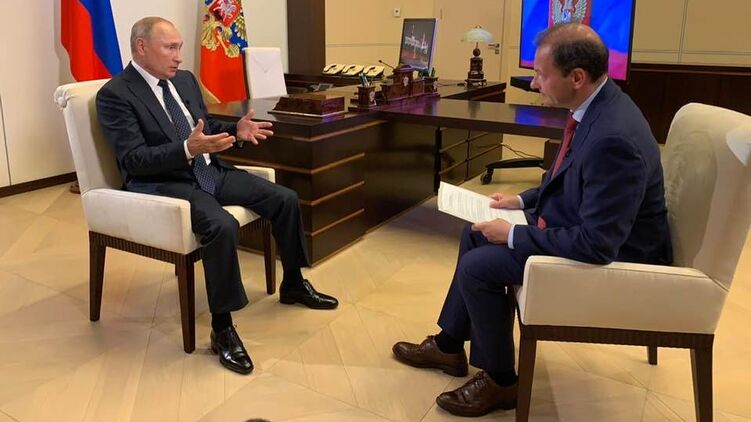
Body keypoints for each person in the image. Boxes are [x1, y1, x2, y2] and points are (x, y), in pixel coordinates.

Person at [392, 22, 672, 417]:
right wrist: (520, 200)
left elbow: (598, 244)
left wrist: (513, 235)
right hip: (586, 224)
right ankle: (449, 345)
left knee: (479, 266)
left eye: (541, 74)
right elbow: (568, 177)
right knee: (474, 233)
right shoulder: (598, 107)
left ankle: (501, 381)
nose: (535, 84)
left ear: (577, 77)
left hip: (620, 255)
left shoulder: (613, 138)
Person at [96, 17, 338, 376]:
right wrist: (186, 149)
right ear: (141, 47)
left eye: (179, 47)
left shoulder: (183, 80)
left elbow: (203, 125)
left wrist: (235, 130)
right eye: (170, 48)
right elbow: (133, 160)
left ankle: (292, 283)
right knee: (221, 226)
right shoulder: (116, 95)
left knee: (285, 198)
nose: (179, 56)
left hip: (209, 171)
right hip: (166, 183)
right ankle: (222, 327)